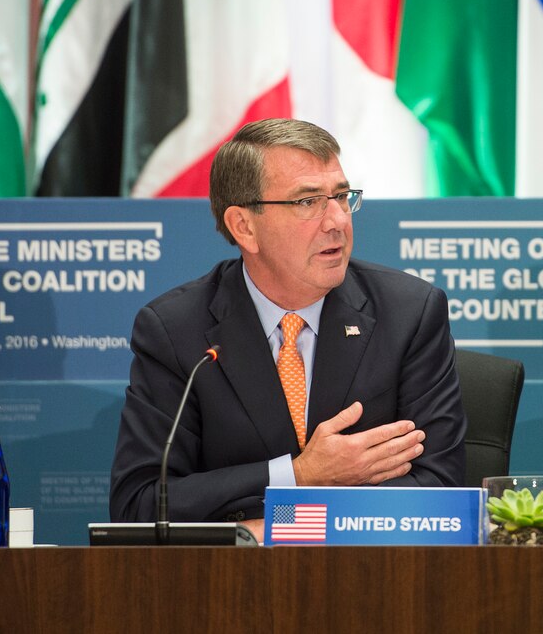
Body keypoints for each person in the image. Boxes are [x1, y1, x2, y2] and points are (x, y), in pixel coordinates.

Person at [109, 119, 465, 535]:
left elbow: (441, 491)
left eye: (341, 196)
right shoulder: (175, 330)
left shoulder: (409, 313)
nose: (337, 220)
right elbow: (142, 503)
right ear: (244, 226)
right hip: (231, 589)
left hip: (373, 580)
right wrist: (297, 475)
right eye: (307, 202)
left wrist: (279, 524)